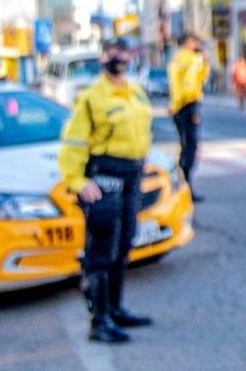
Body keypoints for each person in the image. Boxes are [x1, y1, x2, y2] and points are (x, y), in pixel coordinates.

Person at [58, 38, 153, 344]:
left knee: (124, 244)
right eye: (113, 52)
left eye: (124, 52)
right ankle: (99, 321)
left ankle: (115, 309)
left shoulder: (135, 91)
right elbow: (73, 144)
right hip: (105, 177)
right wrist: (77, 181)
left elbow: (142, 131)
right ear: (102, 57)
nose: (119, 57)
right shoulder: (91, 97)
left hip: (132, 175)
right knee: (101, 250)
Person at [169, 33, 209, 202]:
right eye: (195, 42)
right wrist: (180, 103)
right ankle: (185, 187)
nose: (198, 44)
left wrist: (205, 64)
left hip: (184, 105)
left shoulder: (184, 58)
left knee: (187, 145)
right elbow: (186, 83)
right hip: (187, 105)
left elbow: (198, 80)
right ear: (187, 43)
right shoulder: (188, 58)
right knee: (190, 147)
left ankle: (185, 187)